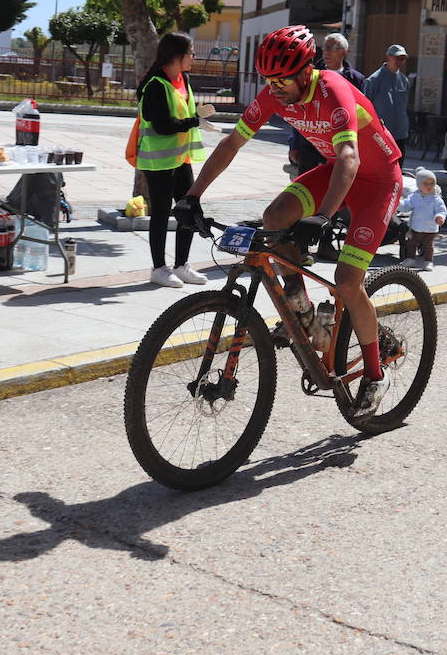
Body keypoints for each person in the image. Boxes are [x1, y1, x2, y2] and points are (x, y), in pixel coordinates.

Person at [174, 25, 403, 417]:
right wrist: (192, 196)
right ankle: (303, 309)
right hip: (336, 174)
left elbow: (350, 158)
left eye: (281, 80)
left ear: (304, 72)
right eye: (268, 80)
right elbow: (231, 143)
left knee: (348, 282)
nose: (274, 88)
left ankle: (374, 374)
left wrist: (323, 217)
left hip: (377, 180)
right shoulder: (273, 94)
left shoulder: (334, 90)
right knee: (274, 217)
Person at [135, 33, 215, 288]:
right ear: (176, 56)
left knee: (188, 210)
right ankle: (159, 268)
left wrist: (197, 113)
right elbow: (161, 125)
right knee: (160, 214)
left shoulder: (183, 79)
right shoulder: (156, 85)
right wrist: (195, 121)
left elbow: (182, 113)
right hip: (158, 162)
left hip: (181, 159)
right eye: (191, 53)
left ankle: (182, 266)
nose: (193, 58)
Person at [287, 33, 364, 177]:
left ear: (344, 52)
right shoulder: (309, 75)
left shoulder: (356, 79)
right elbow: (298, 110)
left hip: (340, 144)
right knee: (308, 187)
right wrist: (294, 144)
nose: (326, 52)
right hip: (311, 143)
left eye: (331, 48)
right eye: (324, 47)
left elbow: (361, 113)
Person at [364, 44, 411, 165]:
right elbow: (365, 107)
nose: (400, 61)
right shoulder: (373, 80)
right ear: (388, 57)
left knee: (398, 167)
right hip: (381, 135)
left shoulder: (404, 81)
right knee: (381, 166)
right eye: (397, 58)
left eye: (403, 58)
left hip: (400, 133)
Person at [400, 167, 446, 271]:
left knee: (428, 246)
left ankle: (428, 261)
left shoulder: (436, 199)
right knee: (411, 243)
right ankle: (410, 258)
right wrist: (398, 203)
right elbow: (406, 206)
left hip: (430, 229)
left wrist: (440, 216)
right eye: (425, 183)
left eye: (432, 183)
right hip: (416, 227)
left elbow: (442, 210)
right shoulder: (414, 197)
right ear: (419, 185)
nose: (429, 186)